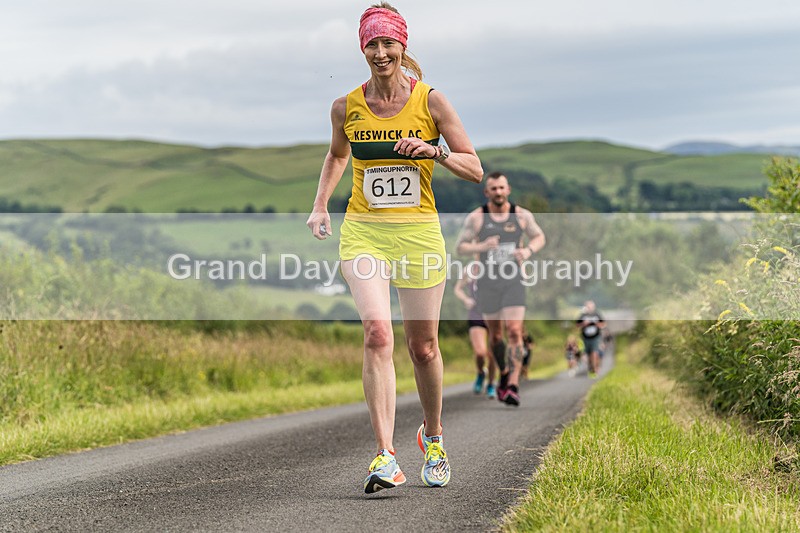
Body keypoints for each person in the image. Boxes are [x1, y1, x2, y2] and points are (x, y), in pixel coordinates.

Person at [306, 2, 483, 494]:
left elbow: (475, 167)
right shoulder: (346, 106)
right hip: (364, 230)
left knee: (422, 346)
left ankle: (435, 438)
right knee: (378, 335)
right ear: (361, 47)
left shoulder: (431, 102)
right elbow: (337, 155)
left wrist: (435, 152)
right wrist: (321, 205)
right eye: (372, 43)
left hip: (419, 233)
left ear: (403, 45)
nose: (380, 52)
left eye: (388, 43)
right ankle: (385, 454)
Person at [456, 172, 546, 406]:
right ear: (487, 192)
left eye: (501, 188)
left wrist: (527, 251)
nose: (498, 192)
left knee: (515, 331)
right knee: (496, 336)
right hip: (487, 282)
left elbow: (539, 237)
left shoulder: (521, 215)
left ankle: (514, 385)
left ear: (508, 189)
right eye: (493, 189)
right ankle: (504, 373)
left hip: (513, 279)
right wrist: (482, 245)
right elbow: (460, 247)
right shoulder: (477, 218)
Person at [453, 263, 496, 398]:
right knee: (480, 352)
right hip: (476, 314)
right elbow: (458, 288)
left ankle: (490, 384)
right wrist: (466, 299)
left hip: (495, 314)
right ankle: (480, 372)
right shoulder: (471, 269)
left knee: (493, 353)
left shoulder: (498, 268)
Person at [576, 300, 606, 378]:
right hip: (585, 338)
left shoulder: (597, 314)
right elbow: (577, 325)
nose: (589, 308)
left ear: (593, 307)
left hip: (596, 337)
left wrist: (596, 324)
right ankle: (591, 368)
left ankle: (595, 370)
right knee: (588, 355)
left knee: (594, 353)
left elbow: (603, 324)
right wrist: (584, 324)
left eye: (591, 306)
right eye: (588, 306)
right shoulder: (583, 315)